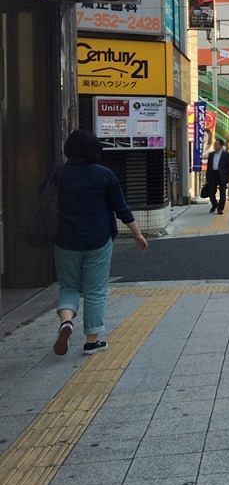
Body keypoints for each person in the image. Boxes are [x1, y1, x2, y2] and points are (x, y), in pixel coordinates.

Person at [52, 129, 147, 356]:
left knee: (69, 286)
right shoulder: (103, 174)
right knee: (95, 291)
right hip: (97, 240)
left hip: (64, 239)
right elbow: (120, 207)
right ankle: (91, 341)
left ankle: (66, 321)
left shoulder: (57, 173)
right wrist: (137, 233)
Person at [206, 139, 229, 214]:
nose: (214, 146)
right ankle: (214, 204)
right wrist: (207, 176)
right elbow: (209, 166)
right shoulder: (211, 155)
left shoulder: (226, 155)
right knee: (211, 192)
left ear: (220, 146)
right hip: (213, 174)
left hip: (222, 175)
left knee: (222, 193)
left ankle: (220, 208)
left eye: (216, 144)